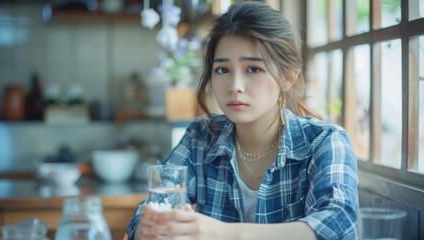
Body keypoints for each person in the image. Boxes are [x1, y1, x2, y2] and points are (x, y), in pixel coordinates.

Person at [127, 1, 358, 239]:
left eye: (253, 69)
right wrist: (147, 227)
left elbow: (339, 222)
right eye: (223, 70)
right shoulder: (201, 135)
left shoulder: (325, 140)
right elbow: (151, 208)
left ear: (288, 77)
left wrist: (222, 233)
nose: (235, 87)